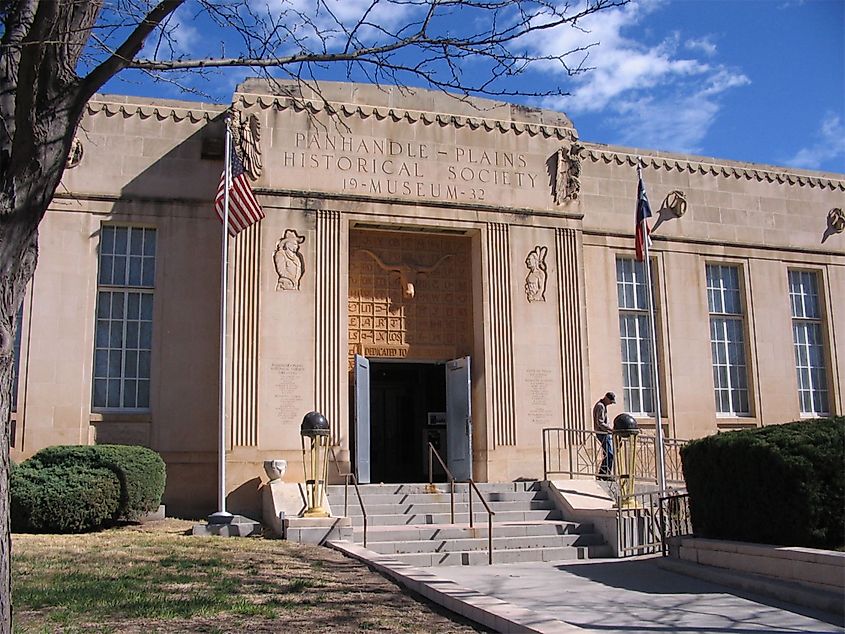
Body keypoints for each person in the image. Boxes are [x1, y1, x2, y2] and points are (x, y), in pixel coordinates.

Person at [593, 391, 616, 480]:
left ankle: (604, 473)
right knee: (609, 454)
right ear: (606, 398)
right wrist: (610, 430)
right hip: (602, 433)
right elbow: (600, 422)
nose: (610, 403)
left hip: (605, 433)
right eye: (610, 401)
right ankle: (604, 474)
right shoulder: (600, 406)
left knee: (608, 453)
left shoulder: (603, 406)